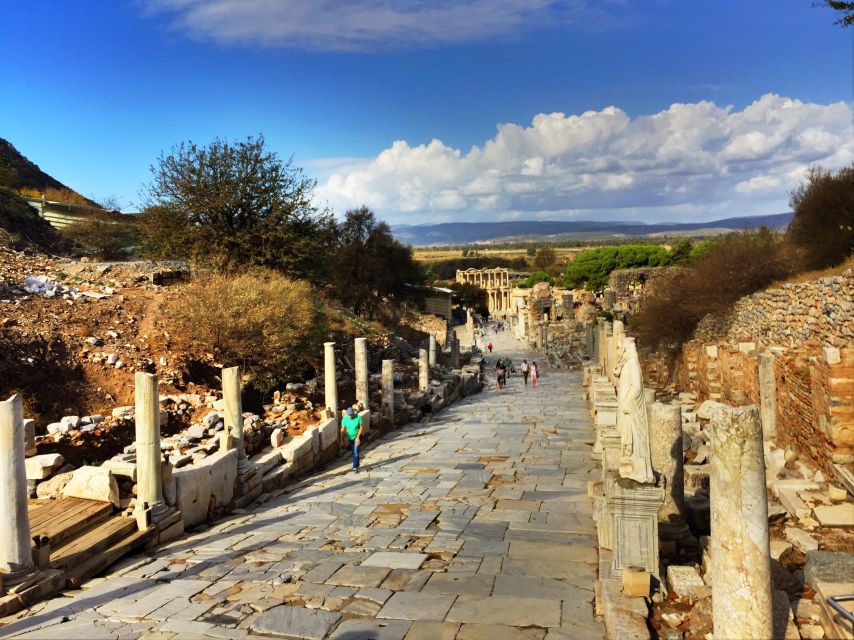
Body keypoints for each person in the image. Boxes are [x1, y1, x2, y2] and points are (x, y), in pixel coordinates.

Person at [340, 406, 363, 473]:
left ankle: (355, 467)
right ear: (347, 414)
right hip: (350, 438)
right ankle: (357, 465)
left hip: (357, 437)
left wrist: (358, 437)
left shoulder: (358, 417)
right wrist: (341, 440)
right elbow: (342, 429)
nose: (350, 416)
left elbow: (361, 428)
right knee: (355, 452)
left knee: (356, 451)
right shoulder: (344, 419)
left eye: (352, 414)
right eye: (349, 414)